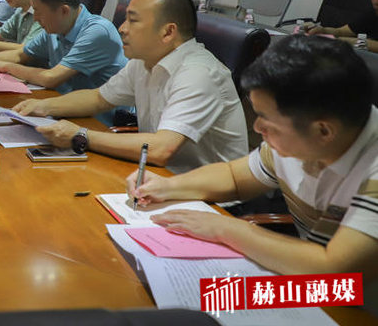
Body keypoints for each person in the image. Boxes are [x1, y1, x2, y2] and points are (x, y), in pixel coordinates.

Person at [129, 35, 378, 314]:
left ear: (323, 130)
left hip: (355, 305)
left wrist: (225, 229)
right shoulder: (303, 137)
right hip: (307, 282)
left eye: (266, 120)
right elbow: (234, 177)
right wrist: (167, 186)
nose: (257, 128)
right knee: (168, 299)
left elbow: (336, 272)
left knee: (197, 304)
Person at [13, 0, 248, 174]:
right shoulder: (143, 61)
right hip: (156, 178)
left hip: (210, 201)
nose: (122, 28)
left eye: (133, 21)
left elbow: (161, 149)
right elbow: (98, 99)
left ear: (168, 32)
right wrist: (43, 106)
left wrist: (81, 135)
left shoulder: (198, 74)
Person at [0, 0, 127, 94]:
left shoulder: (97, 32)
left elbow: (51, 78)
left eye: (38, 11)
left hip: (97, 120)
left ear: (64, 10)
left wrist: (6, 67)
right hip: (62, 106)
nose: (35, 18)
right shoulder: (56, 28)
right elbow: (20, 54)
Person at [305, 0, 378, 52]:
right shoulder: (373, 12)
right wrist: (322, 31)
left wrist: (339, 41)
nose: (375, 1)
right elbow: (341, 31)